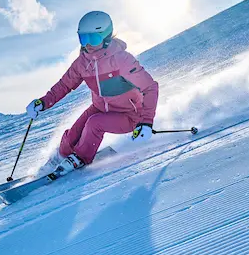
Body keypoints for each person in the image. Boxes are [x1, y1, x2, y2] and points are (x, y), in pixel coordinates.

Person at [26, 11, 159, 176]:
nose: (88, 44)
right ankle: (60, 157)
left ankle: (80, 158)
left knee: (94, 123)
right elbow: (64, 85)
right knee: (71, 136)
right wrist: (43, 102)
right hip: (101, 108)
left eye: (93, 38)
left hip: (130, 115)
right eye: (83, 38)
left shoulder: (122, 60)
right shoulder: (82, 62)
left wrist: (146, 122)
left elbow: (150, 87)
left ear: (106, 37)